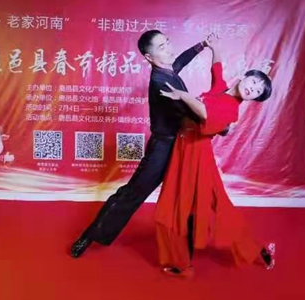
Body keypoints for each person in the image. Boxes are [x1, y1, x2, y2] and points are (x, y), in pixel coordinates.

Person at [71, 30, 214, 258]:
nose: (168, 48)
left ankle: (188, 242)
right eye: (161, 47)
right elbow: (188, 112)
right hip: (163, 148)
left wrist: (202, 45)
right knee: (133, 193)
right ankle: (90, 235)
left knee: (190, 192)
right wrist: (218, 123)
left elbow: (179, 62)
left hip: (183, 144)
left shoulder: (167, 70)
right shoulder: (160, 81)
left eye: (167, 42)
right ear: (149, 57)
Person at [155, 36, 275, 277]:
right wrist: (213, 46)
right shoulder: (221, 87)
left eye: (257, 92)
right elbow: (217, 67)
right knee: (177, 207)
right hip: (183, 149)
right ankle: (184, 263)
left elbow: (204, 113)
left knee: (208, 207)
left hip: (197, 156)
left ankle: (256, 250)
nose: (252, 89)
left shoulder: (232, 111)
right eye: (254, 82)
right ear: (245, 76)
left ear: (253, 99)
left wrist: (183, 96)